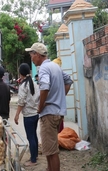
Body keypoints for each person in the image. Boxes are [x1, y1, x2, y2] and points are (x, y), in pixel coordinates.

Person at [25, 42, 73, 171]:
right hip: (57, 112)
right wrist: (60, 98)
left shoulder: (44, 69)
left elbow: (45, 87)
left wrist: (41, 106)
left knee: (52, 151)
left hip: (49, 114)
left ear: (38, 55)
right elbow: (68, 81)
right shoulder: (55, 66)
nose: (31, 58)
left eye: (32, 55)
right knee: (49, 149)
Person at [14, 63, 39, 167]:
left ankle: (33, 160)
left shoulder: (23, 85)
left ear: (20, 73)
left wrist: (16, 115)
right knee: (34, 135)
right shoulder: (33, 82)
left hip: (28, 115)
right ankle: (35, 155)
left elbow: (21, 102)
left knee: (31, 137)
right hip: (35, 114)